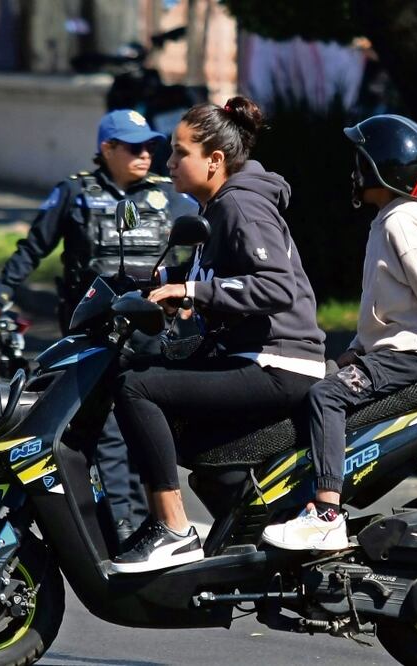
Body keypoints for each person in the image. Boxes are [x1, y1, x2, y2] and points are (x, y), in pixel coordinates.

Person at [0, 109, 197, 541]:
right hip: (93, 337)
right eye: (133, 147)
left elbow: (197, 257)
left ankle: (150, 525)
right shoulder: (74, 193)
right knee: (105, 434)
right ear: (107, 149)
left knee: (143, 429)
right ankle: (121, 527)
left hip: (151, 338)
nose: (145, 155)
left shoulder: (172, 197)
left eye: (150, 147)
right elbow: (31, 249)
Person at [110, 97, 328, 573]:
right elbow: (216, 276)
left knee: (136, 386)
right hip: (256, 358)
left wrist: (192, 290)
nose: (168, 163)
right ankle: (251, 537)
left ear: (215, 160)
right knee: (189, 434)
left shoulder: (240, 204)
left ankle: (172, 530)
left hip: (278, 364)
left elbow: (274, 285)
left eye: (178, 152)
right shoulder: (222, 207)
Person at [262, 114, 417, 551]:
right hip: (390, 351)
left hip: (410, 356)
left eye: (362, 163)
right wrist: (353, 352)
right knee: (317, 383)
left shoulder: (404, 222)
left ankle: (326, 513)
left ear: (385, 170)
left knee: (328, 395)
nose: (354, 172)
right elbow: (387, 307)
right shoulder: (389, 220)